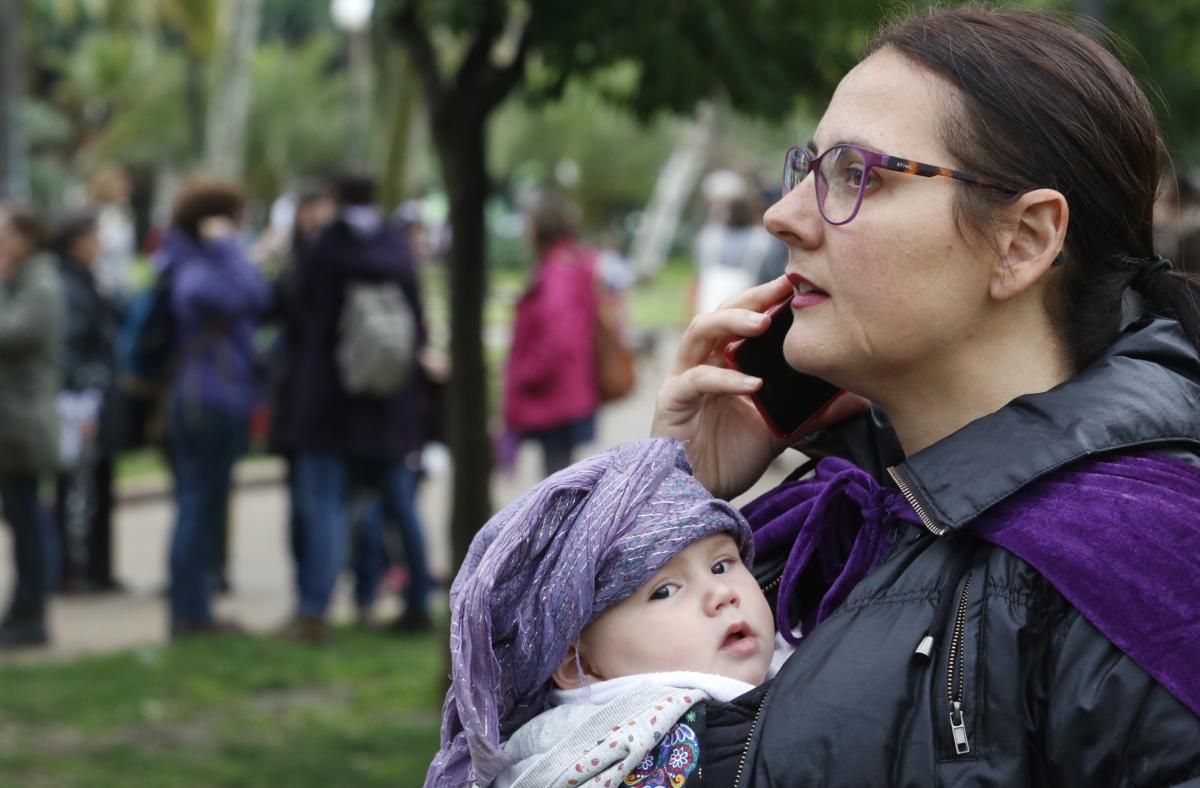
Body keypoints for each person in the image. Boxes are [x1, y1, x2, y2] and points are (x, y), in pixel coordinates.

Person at [649, 8, 1200, 784]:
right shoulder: (838, 522)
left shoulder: (1151, 573)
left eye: (854, 175)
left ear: (1023, 242)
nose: (784, 216)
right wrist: (677, 495)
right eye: (808, 168)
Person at [425, 438, 778, 788]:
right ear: (579, 666)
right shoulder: (632, 758)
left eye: (721, 565)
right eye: (665, 591)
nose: (721, 593)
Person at [288, 173, 433, 641]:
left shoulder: (325, 250)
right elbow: (417, 321)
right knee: (400, 505)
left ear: (334, 198)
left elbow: (301, 316)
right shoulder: (395, 248)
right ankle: (416, 604)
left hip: (331, 400)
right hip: (387, 402)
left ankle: (315, 610)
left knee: (326, 504)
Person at [160, 179, 270, 638]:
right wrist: (228, 248)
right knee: (199, 505)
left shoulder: (183, 259)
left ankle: (194, 607)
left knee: (198, 504)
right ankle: (190, 614)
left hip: (203, 395)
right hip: (207, 399)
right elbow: (252, 296)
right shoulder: (194, 265)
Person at [0, 206, 64, 648]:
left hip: (22, 422)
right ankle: (24, 611)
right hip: (13, 419)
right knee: (23, 518)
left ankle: (31, 615)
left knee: (27, 520)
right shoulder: (22, 281)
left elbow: (12, 333)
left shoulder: (40, 284)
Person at [503, 195, 600, 478]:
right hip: (569, 389)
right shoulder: (571, 265)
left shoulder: (556, 274)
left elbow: (559, 340)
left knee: (556, 482)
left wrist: (525, 373)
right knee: (562, 474)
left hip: (553, 395)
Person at [52, 211, 123, 594]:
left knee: (95, 485)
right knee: (79, 489)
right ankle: (74, 570)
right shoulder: (68, 285)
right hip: (82, 403)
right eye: (96, 237)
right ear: (76, 241)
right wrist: (86, 398)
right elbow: (72, 347)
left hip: (94, 397)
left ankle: (98, 569)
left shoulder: (92, 281)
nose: (102, 246)